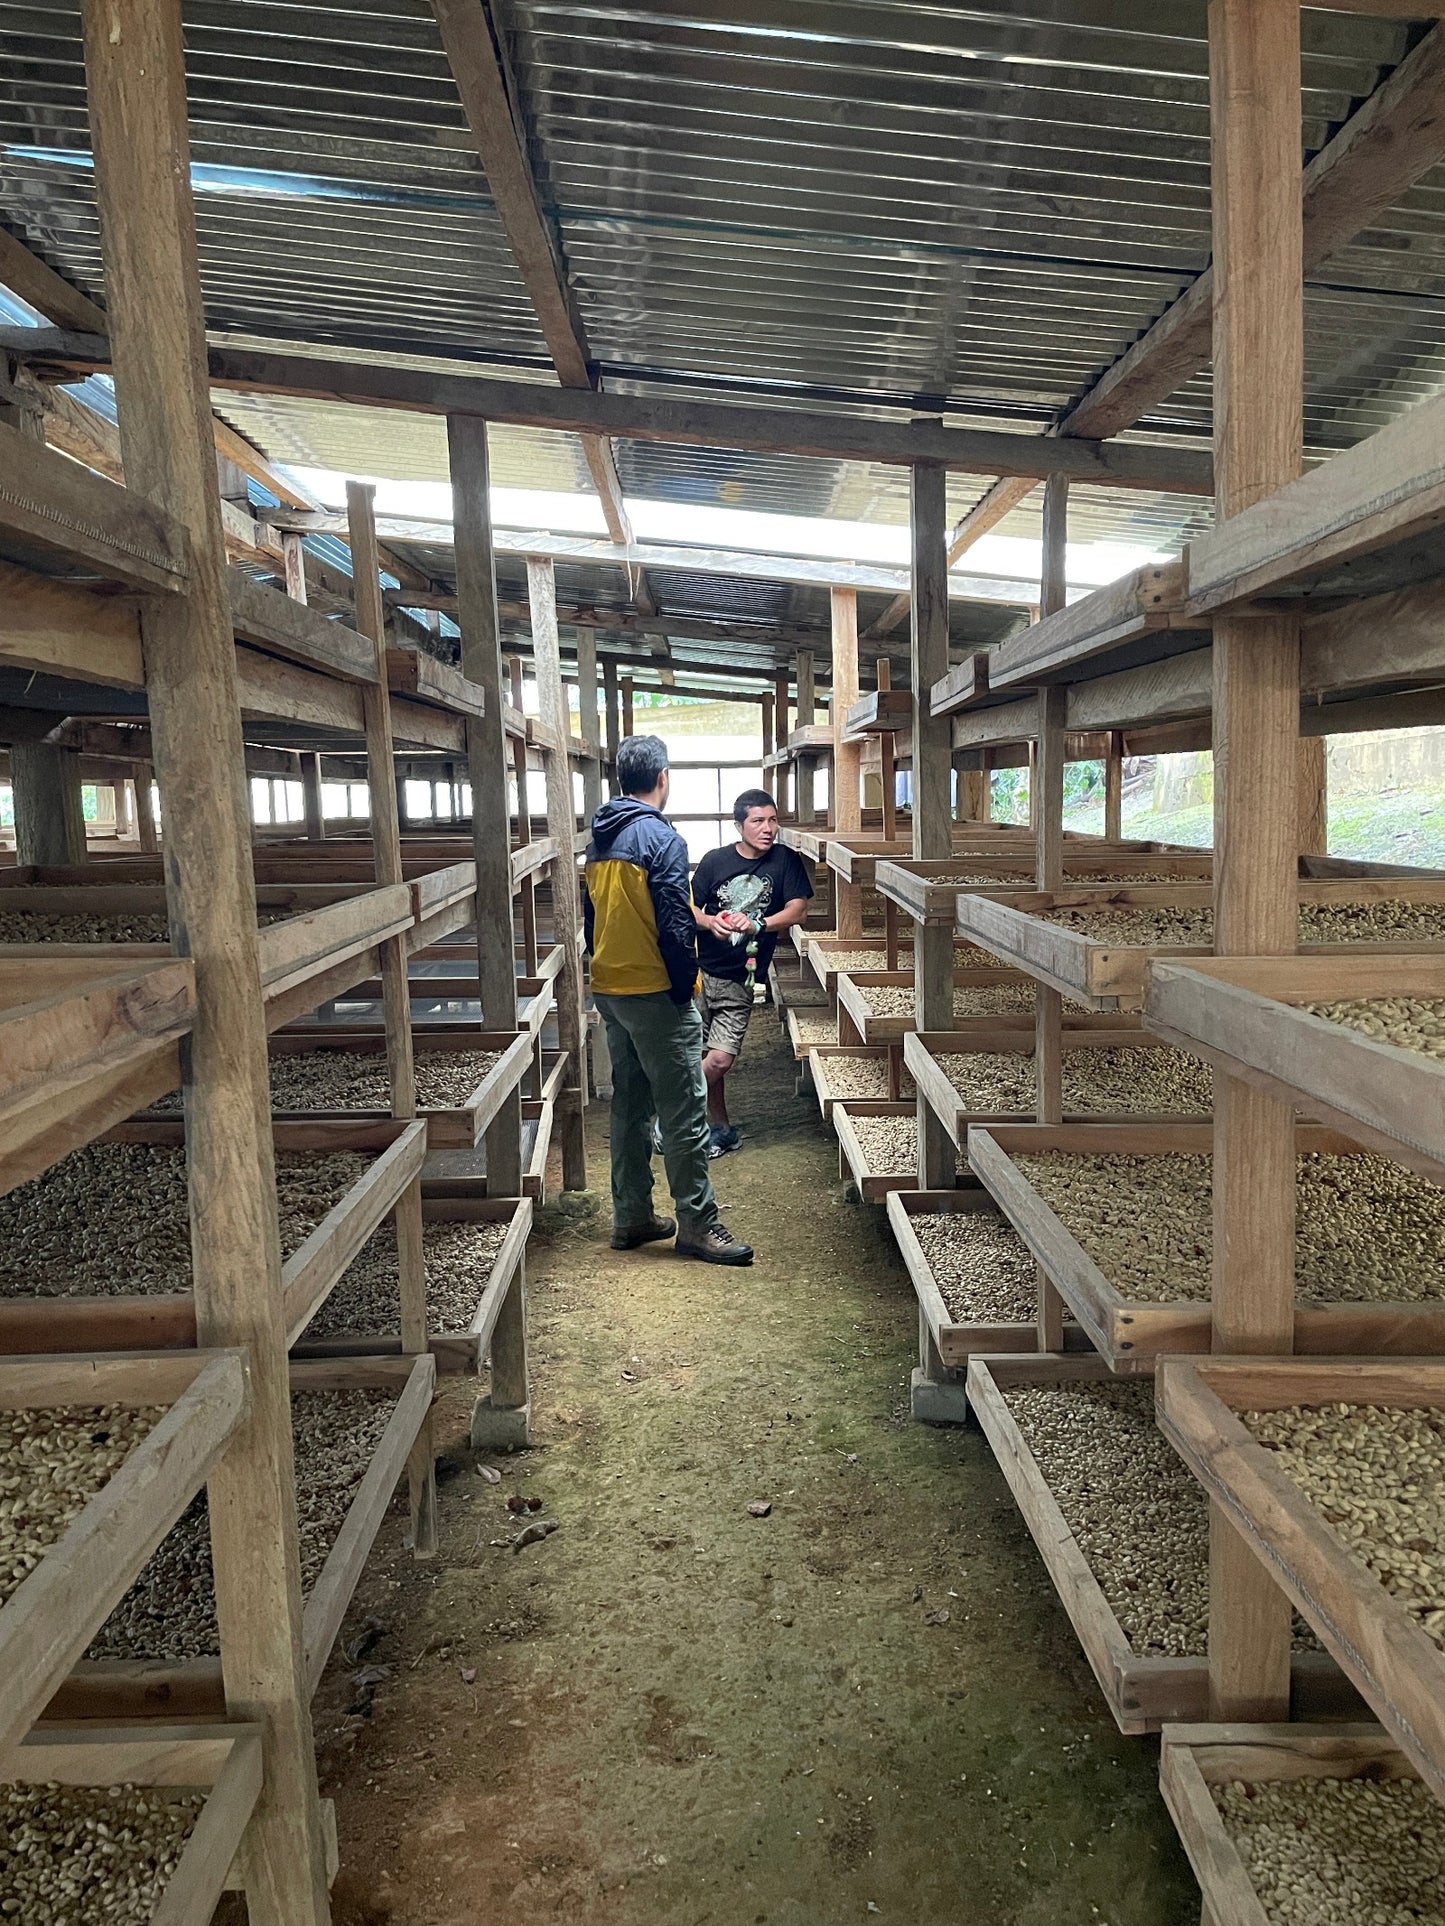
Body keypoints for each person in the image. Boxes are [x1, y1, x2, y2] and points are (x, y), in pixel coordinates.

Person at [582, 735, 754, 1266]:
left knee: (630, 1105)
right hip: (655, 991)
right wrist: (685, 987)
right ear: (662, 778)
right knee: (684, 1109)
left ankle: (631, 1215)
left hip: (610, 985)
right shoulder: (661, 838)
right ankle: (698, 1224)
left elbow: (592, 918)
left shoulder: (599, 836)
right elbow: (676, 924)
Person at [690, 789, 814, 1155]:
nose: (768, 828)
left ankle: (673, 1117)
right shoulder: (714, 861)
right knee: (705, 1055)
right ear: (739, 825)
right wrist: (711, 921)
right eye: (758, 821)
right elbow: (688, 907)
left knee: (720, 1058)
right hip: (699, 974)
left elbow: (798, 911)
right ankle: (720, 1127)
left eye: (773, 820)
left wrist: (758, 923)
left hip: (739, 980)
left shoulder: (784, 862)